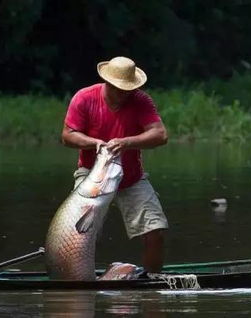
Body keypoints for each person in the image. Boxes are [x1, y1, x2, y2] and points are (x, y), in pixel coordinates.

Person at [61, 56, 169, 273]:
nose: (124, 93)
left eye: (128, 89)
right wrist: (95, 144)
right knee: (78, 234)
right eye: (119, 89)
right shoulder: (84, 97)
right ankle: (76, 278)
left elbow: (160, 134)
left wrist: (127, 142)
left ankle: (153, 283)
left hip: (130, 177)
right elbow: (67, 136)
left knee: (156, 231)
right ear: (107, 83)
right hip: (91, 176)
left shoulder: (141, 101)